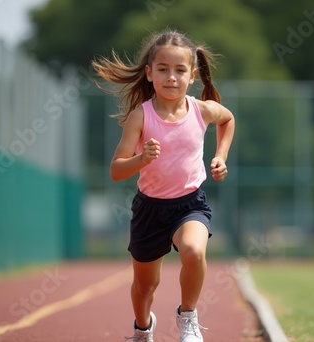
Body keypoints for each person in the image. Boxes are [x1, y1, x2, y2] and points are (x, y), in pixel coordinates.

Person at [92, 29, 235, 342]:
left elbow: (228, 119)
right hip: (150, 209)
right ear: (149, 73)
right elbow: (116, 171)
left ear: (193, 75)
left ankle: (188, 317)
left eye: (180, 70)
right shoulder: (139, 117)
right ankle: (143, 328)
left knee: (195, 252)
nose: (172, 77)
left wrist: (221, 156)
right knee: (145, 287)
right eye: (163, 69)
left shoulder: (202, 110)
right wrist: (141, 159)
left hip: (190, 204)